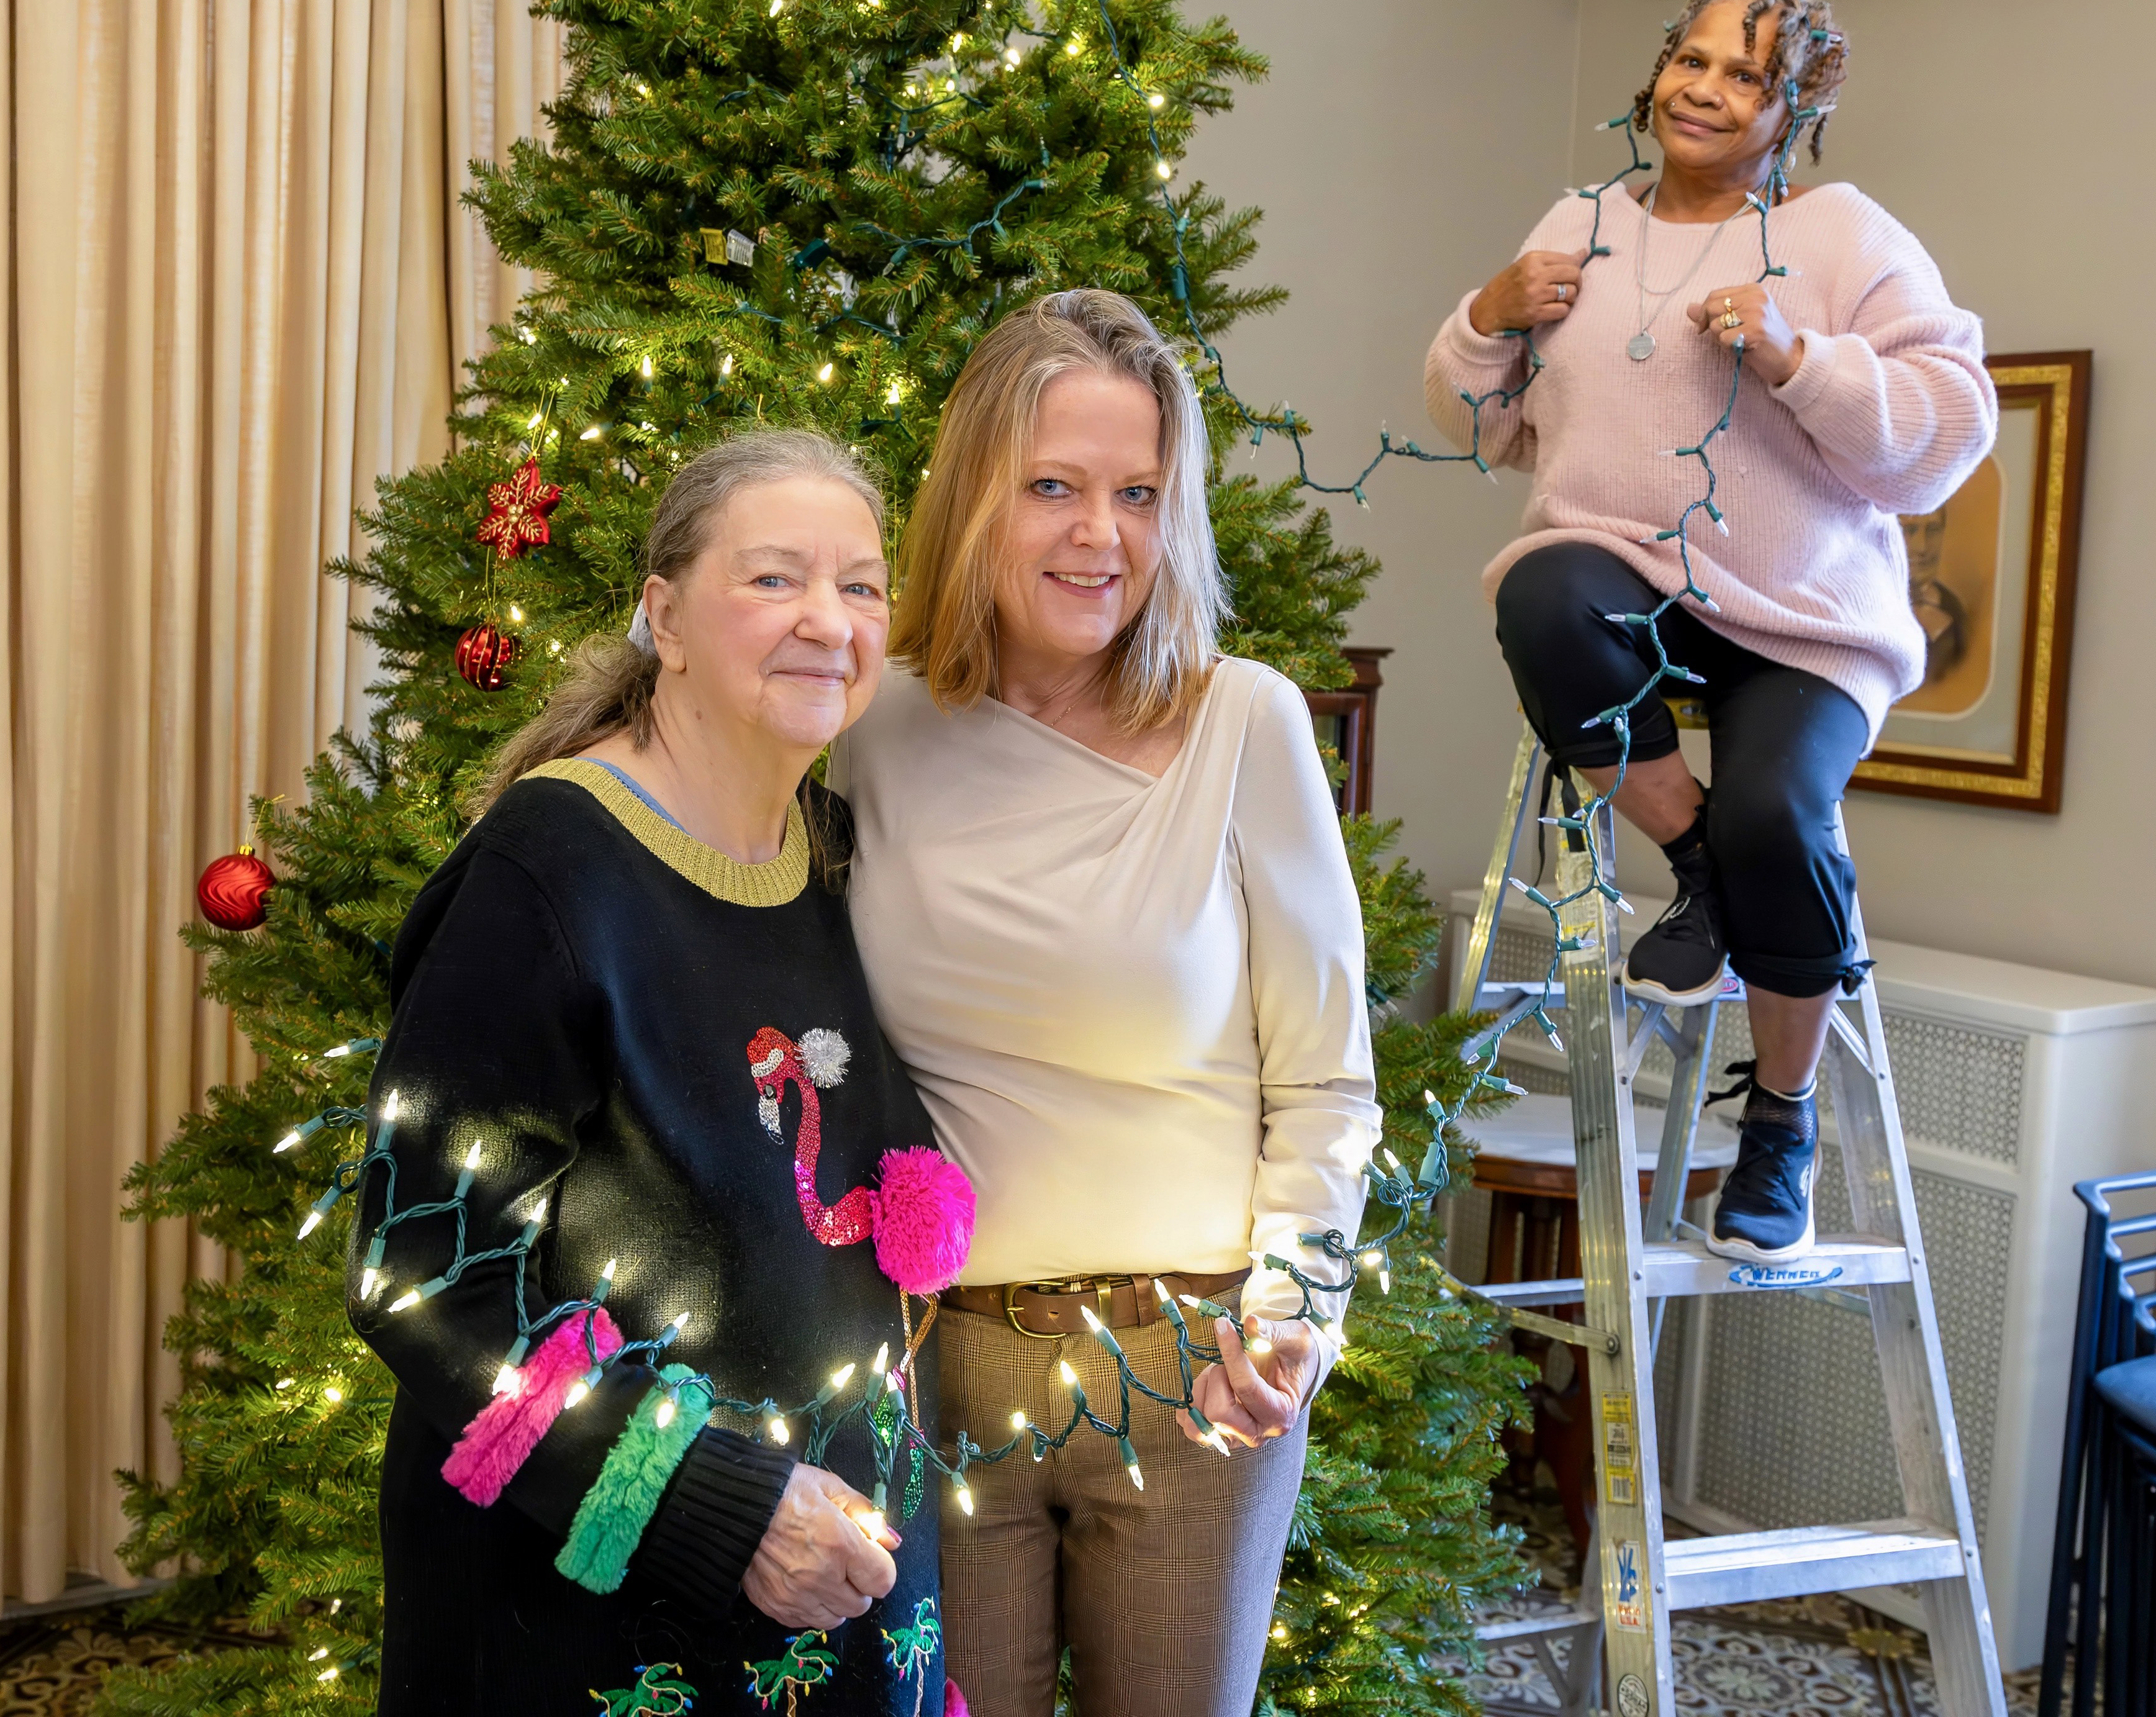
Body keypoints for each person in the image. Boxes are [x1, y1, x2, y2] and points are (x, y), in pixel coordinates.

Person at [350, 430, 973, 1715]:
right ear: (666, 617)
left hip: (836, 1600)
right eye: (774, 578)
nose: (829, 620)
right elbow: (429, 1275)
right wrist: (722, 1504)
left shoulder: (839, 856)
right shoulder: (546, 874)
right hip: (585, 1625)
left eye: (861, 585)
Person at [829, 290, 1382, 1717]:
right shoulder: (871, 727)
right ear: (974, 497)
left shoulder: (1245, 722)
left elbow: (1326, 1083)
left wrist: (1298, 1315)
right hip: (941, 1372)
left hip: (1197, 1377)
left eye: (1138, 494)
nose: (1102, 536)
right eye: (1054, 488)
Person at [1423, 0, 1996, 1262]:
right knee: (1541, 592)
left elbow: (1950, 434)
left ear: (1793, 113)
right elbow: (1482, 427)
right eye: (1693, 59)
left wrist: (1801, 360)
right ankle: (1703, 872)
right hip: (1629, 579)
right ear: (1658, 71)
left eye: (1747, 76)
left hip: (1804, 618)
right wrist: (1484, 321)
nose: (1708, 90)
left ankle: (1781, 1125)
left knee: (1778, 815)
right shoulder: (1580, 225)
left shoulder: (1842, 235)